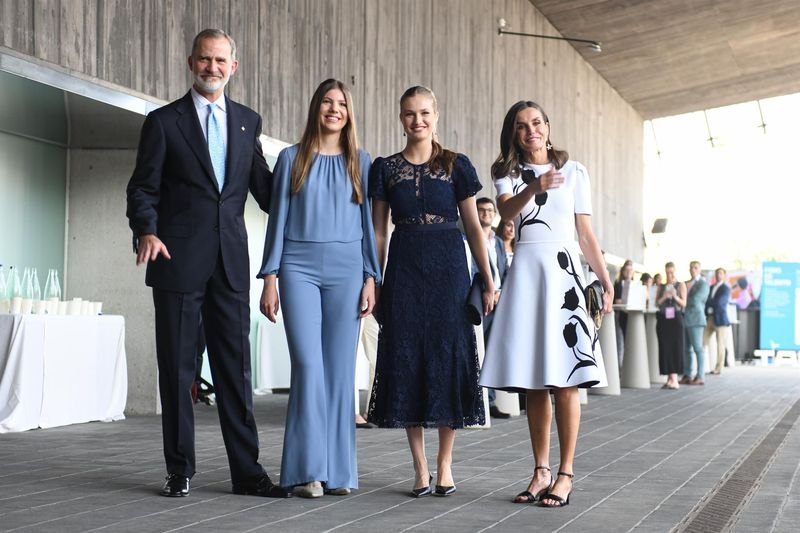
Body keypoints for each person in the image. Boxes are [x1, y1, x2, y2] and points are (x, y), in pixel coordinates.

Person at [125, 29, 287, 498]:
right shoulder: (162, 122)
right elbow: (143, 188)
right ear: (190, 61)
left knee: (235, 370)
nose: (212, 67)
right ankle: (180, 469)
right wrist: (146, 229)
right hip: (176, 260)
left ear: (234, 66)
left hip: (231, 264)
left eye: (220, 60)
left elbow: (266, 190)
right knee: (177, 369)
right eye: (204, 59)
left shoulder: (247, 122)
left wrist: (311, 178)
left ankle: (247, 473)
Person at [479, 101, 613, 508]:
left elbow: (585, 233)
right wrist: (534, 186)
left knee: (566, 379)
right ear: (513, 134)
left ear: (548, 127)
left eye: (536, 123)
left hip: (565, 273)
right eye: (521, 126)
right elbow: (505, 212)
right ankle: (540, 471)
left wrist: (604, 280)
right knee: (535, 380)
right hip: (528, 273)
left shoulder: (575, 171)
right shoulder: (506, 173)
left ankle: (566, 473)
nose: (531, 131)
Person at [367, 85, 494, 498]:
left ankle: (445, 463)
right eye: (409, 114)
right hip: (403, 269)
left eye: (424, 113)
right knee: (407, 359)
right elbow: (379, 232)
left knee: (447, 358)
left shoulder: (457, 165)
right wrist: (375, 278)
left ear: (436, 115)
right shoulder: (385, 168)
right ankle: (419, 466)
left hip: (449, 270)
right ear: (400, 118)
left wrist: (488, 277)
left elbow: (474, 227)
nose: (417, 120)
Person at [259, 79, 380, 498]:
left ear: (349, 112)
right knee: (308, 366)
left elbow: (368, 227)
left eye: (341, 103)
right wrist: (270, 277)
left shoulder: (361, 161)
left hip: (348, 271)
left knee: (341, 371)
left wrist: (371, 277)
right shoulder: (291, 158)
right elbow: (277, 220)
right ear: (316, 108)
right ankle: (306, 471)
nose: (334, 109)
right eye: (327, 102)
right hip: (298, 268)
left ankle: (339, 472)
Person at [475, 197, 509, 419]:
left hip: (498, 299)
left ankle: (491, 401)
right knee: (477, 351)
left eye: (490, 210)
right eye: (481, 210)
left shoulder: (497, 241)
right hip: (478, 298)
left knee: (493, 352)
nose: (486, 214)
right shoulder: (468, 236)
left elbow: (504, 269)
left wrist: (501, 293)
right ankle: (477, 400)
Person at [655, 262, 686, 389]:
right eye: (667, 272)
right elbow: (657, 303)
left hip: (676, 319)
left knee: (675, 347)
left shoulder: (681, 285)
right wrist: (665, 296)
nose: (670, 275)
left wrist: (675, 296)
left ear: (675, 271)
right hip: (663, 319)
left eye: (671, 272)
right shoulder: (661, 286)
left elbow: (684, 303)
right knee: (664, 347)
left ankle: (675, 379)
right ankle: (669, 378)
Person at [681, 261, 710, 385]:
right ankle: (687, 374)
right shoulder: (687, 283)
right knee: (687, 349)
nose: (693, 270)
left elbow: (696, 299)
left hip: (696, 320)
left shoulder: (703, 284)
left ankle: (700, 376)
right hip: (686, 318)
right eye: (691, 268)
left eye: (695, 268)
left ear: (699, 269)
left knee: (698, 348)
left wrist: (684, 296)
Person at [704, 267, 734, 374]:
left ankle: (719, 367)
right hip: (710, 317)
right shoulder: (711, 287)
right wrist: (711, 302)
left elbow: (720, 302)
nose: (718, 275)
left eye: (721, 273)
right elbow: (706, 301)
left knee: (720, 344)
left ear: (724, 275)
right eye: (717, 273)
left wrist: (711, 301)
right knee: (702, 341)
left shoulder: (726, 288)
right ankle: (701, 366)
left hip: (721, 319)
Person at [613, 259, 634, 368]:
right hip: (620, 315)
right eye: (627, 270)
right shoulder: (618, 283)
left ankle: (628, 366)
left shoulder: (634, 284)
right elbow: (617, 300)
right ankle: (620, 367)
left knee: (630, 341)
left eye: (631, 270)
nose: (629, 272)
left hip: (631, 316)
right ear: (623, 271)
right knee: (620, 341)